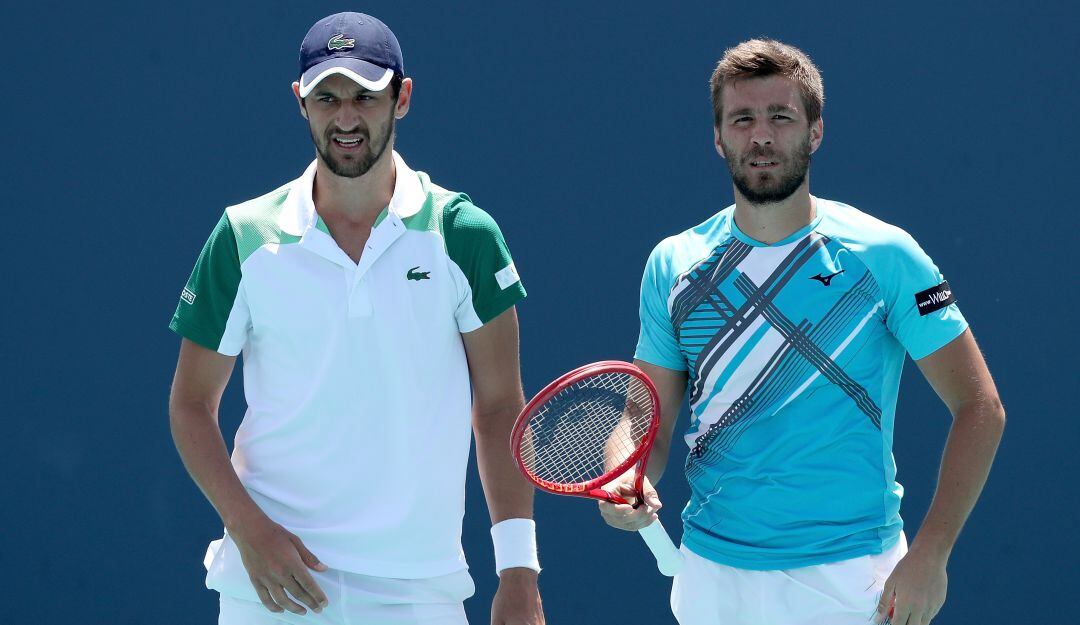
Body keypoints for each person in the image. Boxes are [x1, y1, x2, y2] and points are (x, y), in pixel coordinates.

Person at [599, 39, 1004, 625]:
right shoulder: (673, 264)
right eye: (742, 119)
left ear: (815, 132)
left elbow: (980, 407)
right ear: (718, 138)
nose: (761, 136)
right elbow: (645, 423)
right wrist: (624, 473)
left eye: (780, 117)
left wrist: (930, 554)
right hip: (713, 577)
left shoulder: (885, 256)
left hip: (850, 577)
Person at [168, 12, 544, 625]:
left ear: (403, 97)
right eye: (328, 97)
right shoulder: (243, 237)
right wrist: (249, 530)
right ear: (301, 103)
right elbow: (190, 404)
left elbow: (501, 404)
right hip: (270, 585)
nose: (346, 117)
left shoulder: (464, 236)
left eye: (366, 96)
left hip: (419, 590)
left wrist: (519, 570)